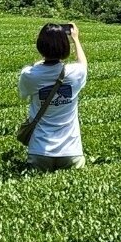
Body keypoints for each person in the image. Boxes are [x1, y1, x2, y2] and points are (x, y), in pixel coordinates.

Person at [18, 21, 88, 170]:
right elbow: (83, 64)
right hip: (71, 152)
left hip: (40, 151)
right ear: (65, 47)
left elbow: (23, 93)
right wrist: (76, 39)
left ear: (40, 46)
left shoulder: (30, 75)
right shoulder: (75, 73)